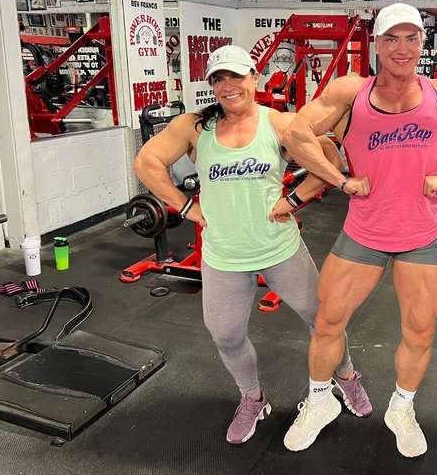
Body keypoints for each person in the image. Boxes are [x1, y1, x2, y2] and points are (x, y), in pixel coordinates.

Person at [281, 3, 437, 457]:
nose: (401, 48)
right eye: (391, 38)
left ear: (422, 43)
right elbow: (295, 134)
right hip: (362, 232)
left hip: (421, 236)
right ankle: (320, 401)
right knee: (327, 322)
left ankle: (401, 408)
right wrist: (339, 180)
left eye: (411, 38)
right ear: (377, 44)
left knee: (420, 330)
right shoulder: (350, 92)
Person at [134, 45, 370, 445]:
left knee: (324, 321)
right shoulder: (195, 127)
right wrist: (186, 207)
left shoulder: (279, 123)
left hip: (279, 249)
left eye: (237, 76)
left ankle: (346, 376)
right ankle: (252, 398)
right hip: (223, 255)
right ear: (212, 86)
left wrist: (293, 200)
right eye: (219, 79)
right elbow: (146, 162)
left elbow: (330, 158)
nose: (229, 86)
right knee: (226, 336)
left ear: (254, 78)